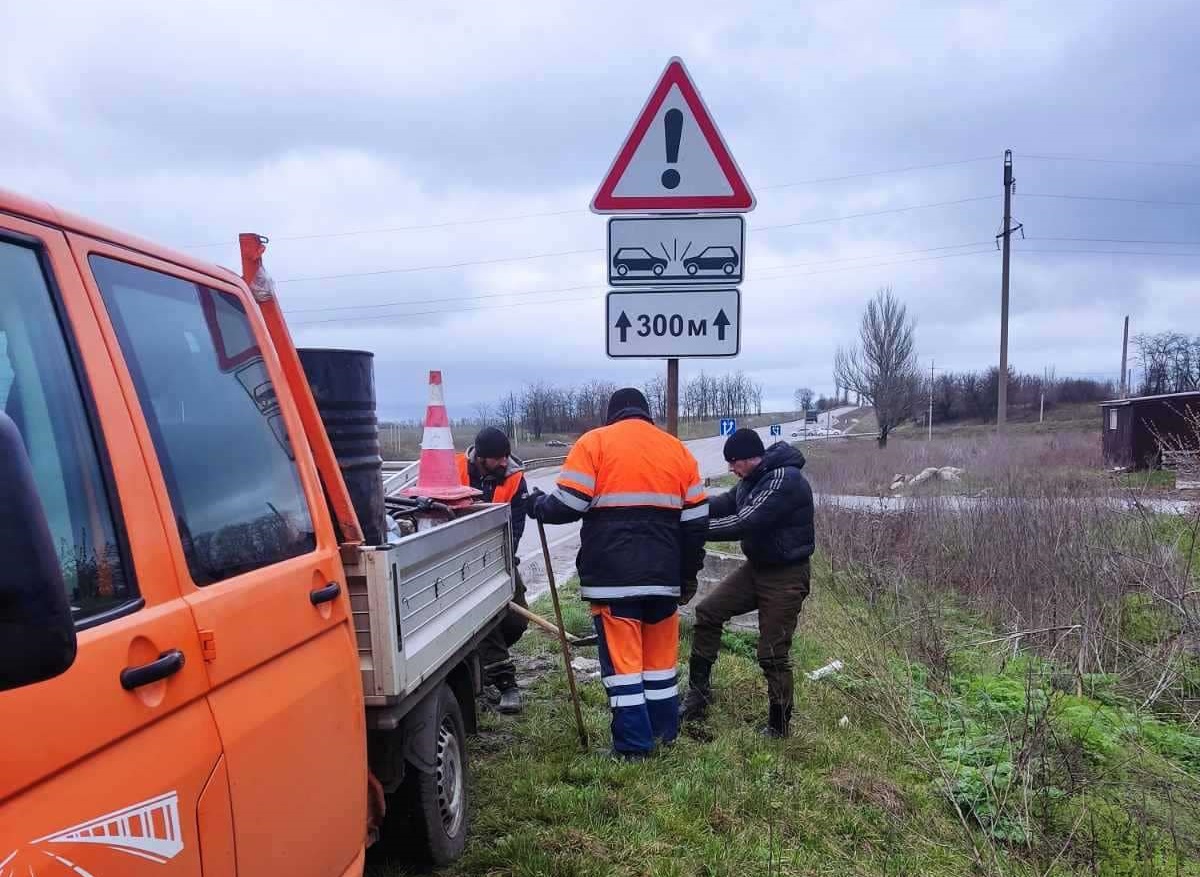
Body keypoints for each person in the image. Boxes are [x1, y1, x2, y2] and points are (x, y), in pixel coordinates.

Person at [529, 388, 707, 758]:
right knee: (660, 665)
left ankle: (633, 747)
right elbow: (695, 523)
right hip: (664, 581)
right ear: (647, 414)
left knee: (624, 669)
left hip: (613, 581)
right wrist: (687, 575)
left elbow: (569, 503)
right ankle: (663, 734)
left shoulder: (594, 443)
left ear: (612, 414)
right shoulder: (677, 450)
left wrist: (538, 506)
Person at [680, 428, 814, 738]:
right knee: (708, 612)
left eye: (733, 462)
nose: (730, 469)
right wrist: (685, 508)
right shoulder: (751, 480)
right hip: (757, 570)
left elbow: (744, 522)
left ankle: (779, 726)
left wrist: (693, 532)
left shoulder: (784, 480)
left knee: (772, 652)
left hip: (787, 575)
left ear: (751, 458)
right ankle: (698, 696)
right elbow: (725, 503)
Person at [458, 426, 530, 714]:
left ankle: (481, 662)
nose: (503, 463)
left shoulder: (514, 479)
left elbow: (518, 525)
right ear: (480, 457)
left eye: (505, 456)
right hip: (461, 562)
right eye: (497, 458)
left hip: (500, 556)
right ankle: (506, 683)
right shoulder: (456, 470)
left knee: (516, 621)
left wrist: (503, 560)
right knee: (486, 620)